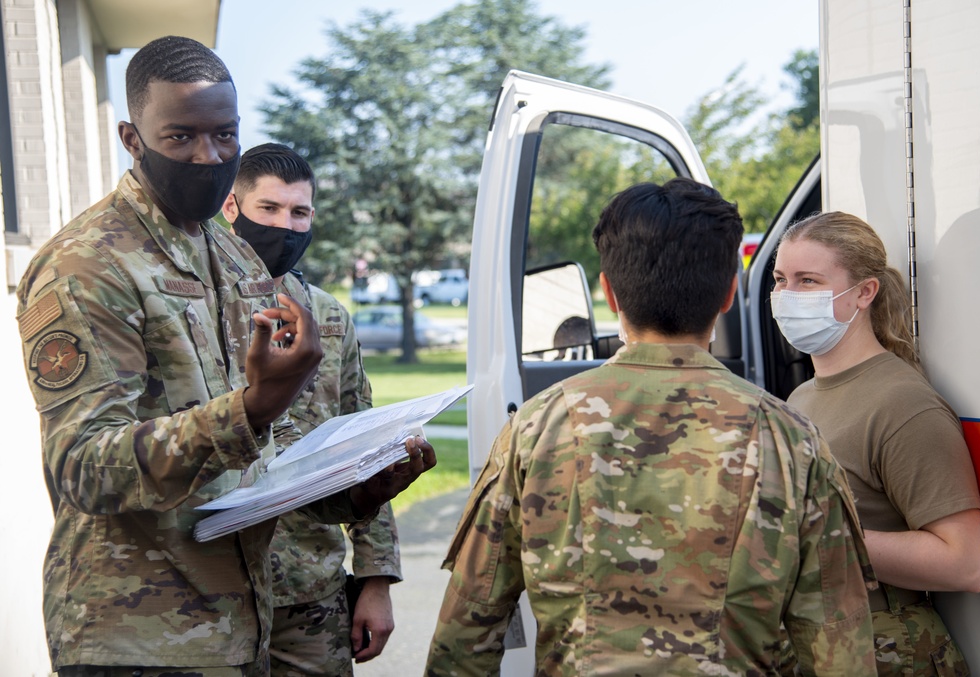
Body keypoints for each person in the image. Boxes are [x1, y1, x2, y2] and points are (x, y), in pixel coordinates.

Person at [15, 35, 434, 677]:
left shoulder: (232, 254)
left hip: (245, 629)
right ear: (133, 138)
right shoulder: (87, 265)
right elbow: (82, 465)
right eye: (180, 136)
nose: (208, 157)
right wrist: (252, 407)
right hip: (138, 638)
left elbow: (254, 471)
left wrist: (353, 494)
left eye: (225, 136)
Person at [425, 178, 878, 676]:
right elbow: (839, 647)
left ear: (609, 294)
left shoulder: (537, 426)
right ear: (729, 293)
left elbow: (466, 634)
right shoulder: (792, 439)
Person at [771, 211, 980, 675]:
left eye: (808, 281)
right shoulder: (802, 397)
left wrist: (819, 538)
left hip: (888, 653)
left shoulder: (902, 404)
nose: (787, 297)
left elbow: (964, 563)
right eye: (780, 279)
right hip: (829, 649)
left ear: (864, 293)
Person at [221, 143, 401, 676]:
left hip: (313, 592)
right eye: (269, 209)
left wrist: (376, 579)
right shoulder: (200, 310)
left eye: (299, 212)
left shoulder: (330, 318)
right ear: (232, 208)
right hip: (216, 595)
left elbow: (367, 444)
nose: (286, 226)